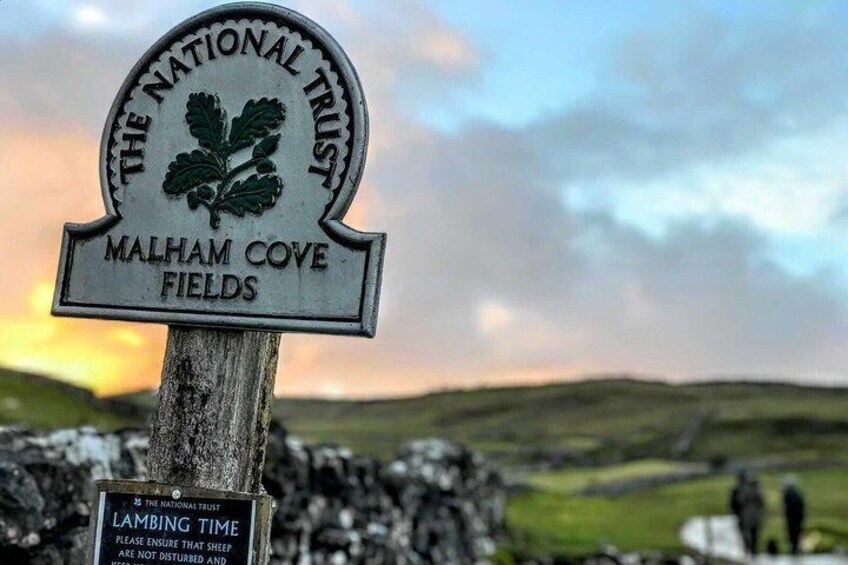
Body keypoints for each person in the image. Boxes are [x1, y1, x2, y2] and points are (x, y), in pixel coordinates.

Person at [730, 471, 765, 556]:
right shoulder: (752, 489)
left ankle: (750, 553)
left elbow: (737, 502)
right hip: (751, 516)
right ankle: (752, 553)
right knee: (752, 536)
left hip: (746, 516)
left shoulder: (741, 489)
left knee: (749, 536)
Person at [783, 475, 806, 555]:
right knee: (797, 534)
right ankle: (796, 549)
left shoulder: (787, 495)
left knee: (792, 535)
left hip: (791, 518)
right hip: (797, 519)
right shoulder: (798, 494)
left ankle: (794, 549)